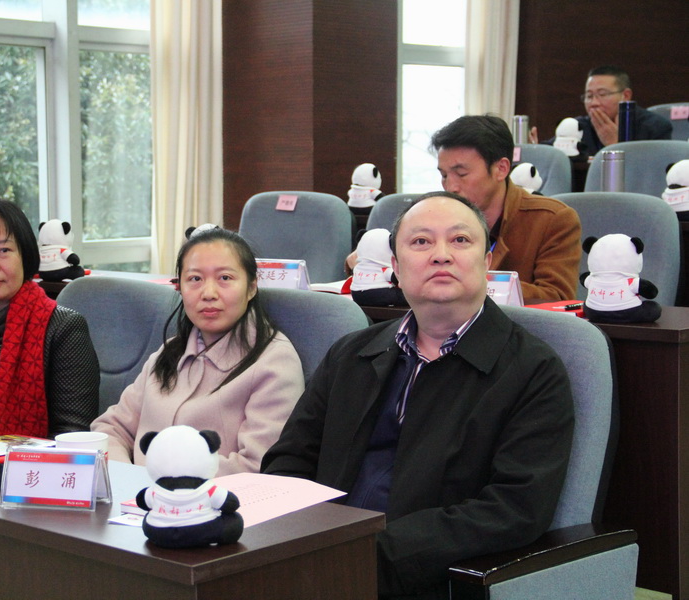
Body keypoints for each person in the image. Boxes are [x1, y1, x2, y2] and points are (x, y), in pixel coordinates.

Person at [262, 192, 575, 600]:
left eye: (460, 240)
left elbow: (515, 508)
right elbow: (290, 459)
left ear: (487, 262)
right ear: (395, 267)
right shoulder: (352, 353)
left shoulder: (533, 371)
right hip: (316, 560)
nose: (441, 255)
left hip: (421, 577)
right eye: (421, 242)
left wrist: (365, 556)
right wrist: (297, 541)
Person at [91, 228, 305, 476]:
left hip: (218, 497)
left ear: (252, 287)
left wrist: (165, 483)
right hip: (138, 495)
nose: (209, 293)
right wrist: (128, 480)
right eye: (195, 279)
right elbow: (111, 428)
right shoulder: (170, 352)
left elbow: (257, 465)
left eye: (225, 278)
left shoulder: (275, 361)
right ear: (179, 287)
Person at [347, 116, 581, 301]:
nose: (451, 186)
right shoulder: (432, 215)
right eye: (444, 175)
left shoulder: (552, 219)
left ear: (501, 169)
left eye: (461, 174)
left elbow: (557, 297)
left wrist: (465, 281)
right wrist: (369, 262)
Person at [0, 196, 99, 439]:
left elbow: (73, 436)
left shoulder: (64, 329)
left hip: (39, 462)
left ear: (25, 255)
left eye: (3, 250)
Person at [529, 65, 673, 155]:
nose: (594, 103)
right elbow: (551, 153)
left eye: (602, 94)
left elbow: (651, 171)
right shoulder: (578, 126)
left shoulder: (655, 126)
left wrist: (615, 145)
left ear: (626, 96)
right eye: (589, 96)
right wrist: (535, 149)